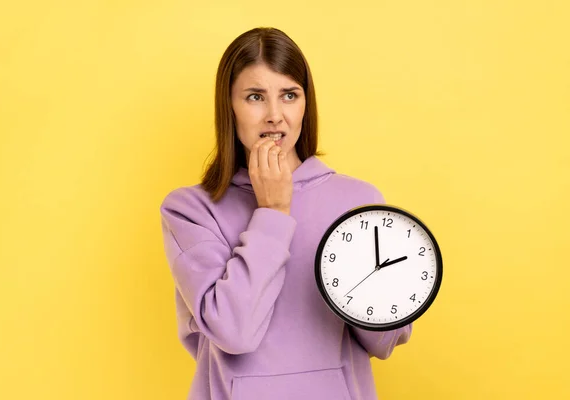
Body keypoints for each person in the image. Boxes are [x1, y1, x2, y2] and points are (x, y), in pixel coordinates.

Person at [160, 27, 412, 400]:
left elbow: (385, 341)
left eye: (289, 95)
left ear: (305, 104)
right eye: (255, 97)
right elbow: (234, 332)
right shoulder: (190, 210)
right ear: (229, 106)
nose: (275, 116)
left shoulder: (358, 200)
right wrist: (273, 212)